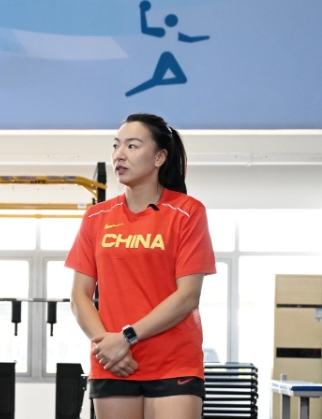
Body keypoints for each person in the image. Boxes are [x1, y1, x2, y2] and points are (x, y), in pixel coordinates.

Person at [66, 113, 216, 419]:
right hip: (113, 361)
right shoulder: (96, 217)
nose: (119, 154)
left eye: (132, 146)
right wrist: (106, 346)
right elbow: (79, 296)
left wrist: (125, 338)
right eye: (116, 145)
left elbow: (188, 295)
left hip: (173, 361)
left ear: (159, 157)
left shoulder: (187, 212)